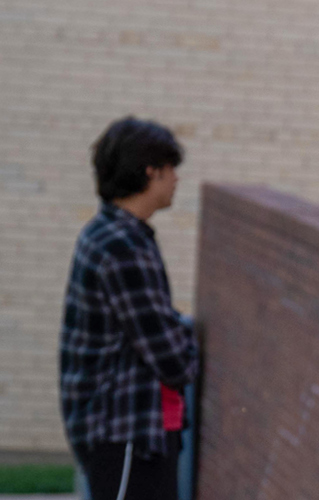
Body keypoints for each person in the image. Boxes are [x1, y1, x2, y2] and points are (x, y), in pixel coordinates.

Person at [60, 116, 198, 500]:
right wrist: (190, 343)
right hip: (124, 431)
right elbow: (172, 358)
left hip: (128, 429)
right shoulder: (123, 247)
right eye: (171, 169)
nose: (176, 179)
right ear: (150, 172)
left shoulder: (111, 232)